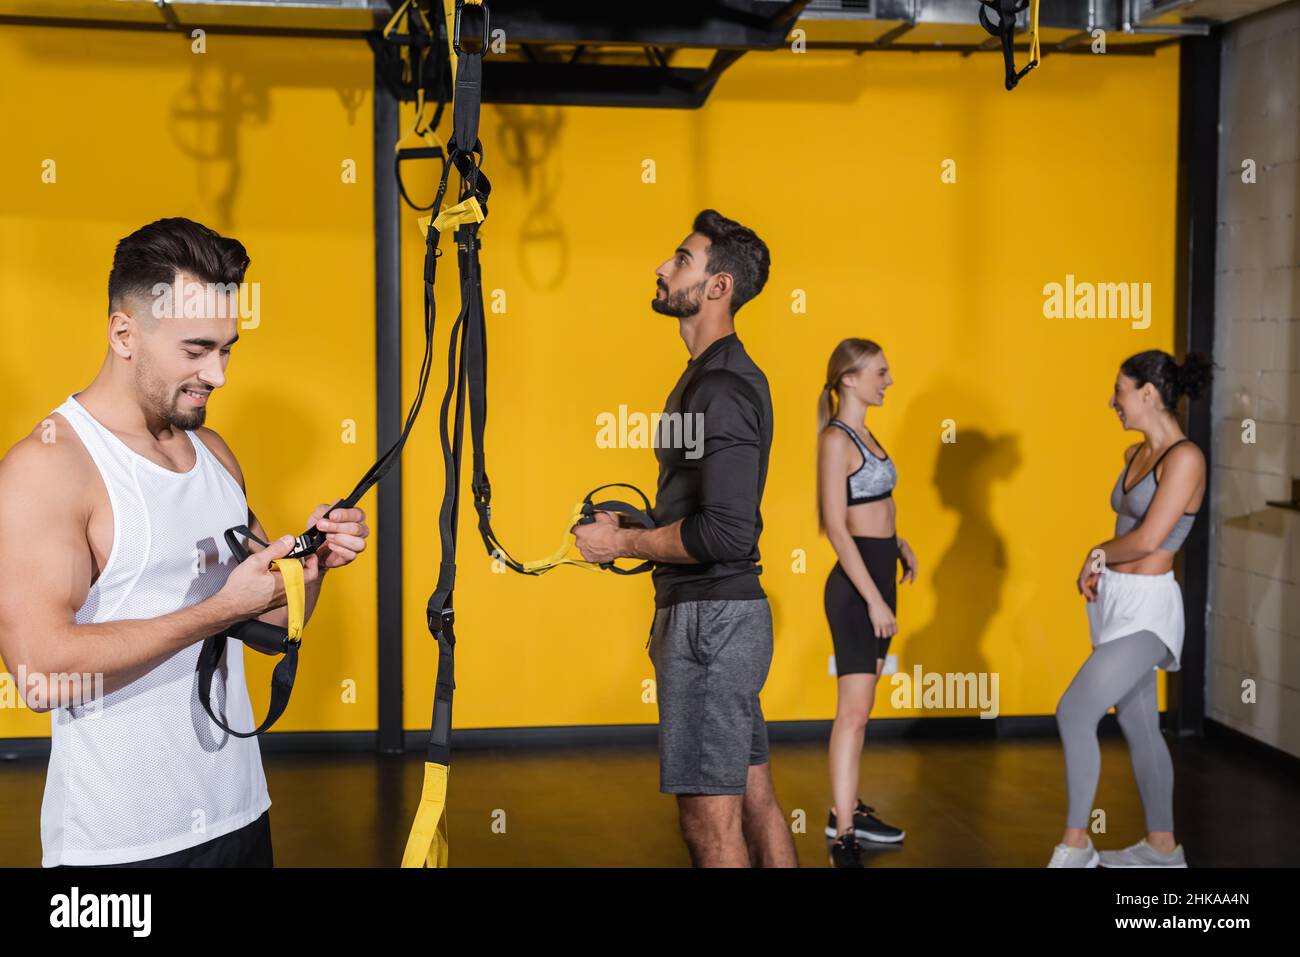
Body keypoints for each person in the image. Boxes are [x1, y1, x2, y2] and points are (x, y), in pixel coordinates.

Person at [0, 218, 368, 867]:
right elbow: (40, 673)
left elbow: (273, 625)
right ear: (124, 334)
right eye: (196, 349)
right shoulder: (50, 466)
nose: (218, 374)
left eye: (228, 348)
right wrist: (216, 610)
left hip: (239, 814)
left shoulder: (213, 453)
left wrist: (310, 565)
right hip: (120, 848)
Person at [573, 209, 796, 867]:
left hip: (710, 623)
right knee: (754, 798)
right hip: (719, 617)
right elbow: (703, 512)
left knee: (709, 828)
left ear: (719, 287)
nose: (663, 269)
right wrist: (635, 528)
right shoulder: (705, 377)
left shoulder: (721, 386)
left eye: (681, 259)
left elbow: (726, 532)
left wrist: (623, 547)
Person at [1048, 350, 1212, 868]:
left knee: (1074, 711)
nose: (1112, 401)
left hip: (1149, 610)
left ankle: (1075, 844)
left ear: (1147, 393)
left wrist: (1095, 553)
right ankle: (1164, 849)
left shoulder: (1185, 459)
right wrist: (1103, 564)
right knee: (1139, 726)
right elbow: (1128, 536)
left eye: (1119, 390)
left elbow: (1147, 539)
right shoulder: (1134, 454)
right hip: (1114, 602)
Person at [817, 339, 915, 868]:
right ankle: (844, 834)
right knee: (852, 714)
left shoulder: (865, 433)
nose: (889, 379)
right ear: (849, 379)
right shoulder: (836, 439)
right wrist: (875, 598)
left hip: (879, 576)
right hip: (857, 592)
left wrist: (898, 542)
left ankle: (845, 809)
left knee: (863, 709)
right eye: (880, 371)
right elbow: (836, 527)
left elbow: (871, 505)